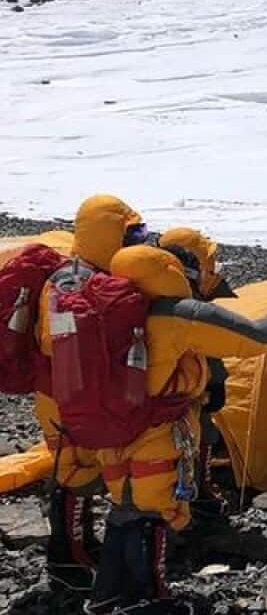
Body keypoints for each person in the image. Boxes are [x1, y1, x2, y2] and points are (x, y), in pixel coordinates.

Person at [86, 245, 267, 614]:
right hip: (156, 434)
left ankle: (107, 596)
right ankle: (149, 599)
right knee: (153, 515)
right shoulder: (174, 315)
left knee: (124, 508)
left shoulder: (101, 308)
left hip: (111, 431)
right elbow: (249, 337)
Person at [33, 194, 147, 597]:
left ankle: (82, 546)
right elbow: (57, 341)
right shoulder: (69, 281)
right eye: (132, 232)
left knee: (86, 472)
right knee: (73, 473)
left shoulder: (92, 275)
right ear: (107, 233)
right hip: (62, 392)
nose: (138, 240)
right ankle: (66, 558)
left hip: (76, 391)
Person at [158, 227, 238, 521]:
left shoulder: (148, 288)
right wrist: (217, 382)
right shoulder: (188, 300)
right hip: (186, 388)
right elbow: (206, 345)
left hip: (156, 387)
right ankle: (196, 495)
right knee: (199, 433)